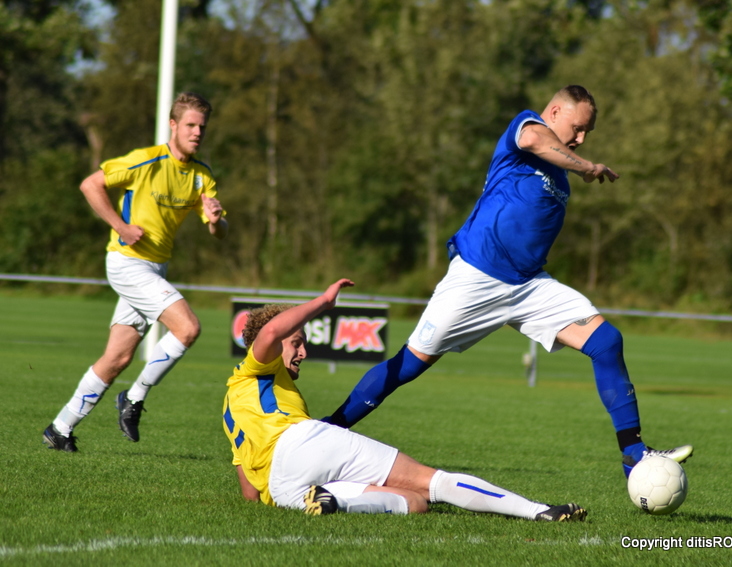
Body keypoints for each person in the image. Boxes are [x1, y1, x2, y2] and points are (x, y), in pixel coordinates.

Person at [322, 85, 693, 478]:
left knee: (606, 342)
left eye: (587, 134)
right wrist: (587, 165)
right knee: (408, 366)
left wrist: (574, 167)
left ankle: (633, 452)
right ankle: (327, 432)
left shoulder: (560, 179)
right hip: (477, 277)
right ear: (553, 111)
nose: (582, 138)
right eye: (578, 128)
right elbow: (535, 139)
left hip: (529, 286)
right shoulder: (525, 127)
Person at [223, 279, 586, 521]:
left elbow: (250, 496)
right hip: (300, 444)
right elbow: (273, 330)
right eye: (296, 342)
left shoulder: (231, 406)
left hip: (283, 489)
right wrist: (324, 301)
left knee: (415, 504)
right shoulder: (259, 366)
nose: (304, 350)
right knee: (432, 482)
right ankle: (538, 511)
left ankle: (335, 502)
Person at [43, 92, 228, 452]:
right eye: (190, 125)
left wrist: (218, 221)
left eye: (202, 127)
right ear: (173, 125)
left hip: (155, 269)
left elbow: (218, 232)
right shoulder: (147, 160)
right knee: (188, 328)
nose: (197, 132)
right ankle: (135, 396)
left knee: (117, 358)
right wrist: (122, 226)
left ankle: (60, 429)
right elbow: (90, 185)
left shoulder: (201, 176)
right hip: (127, 263)